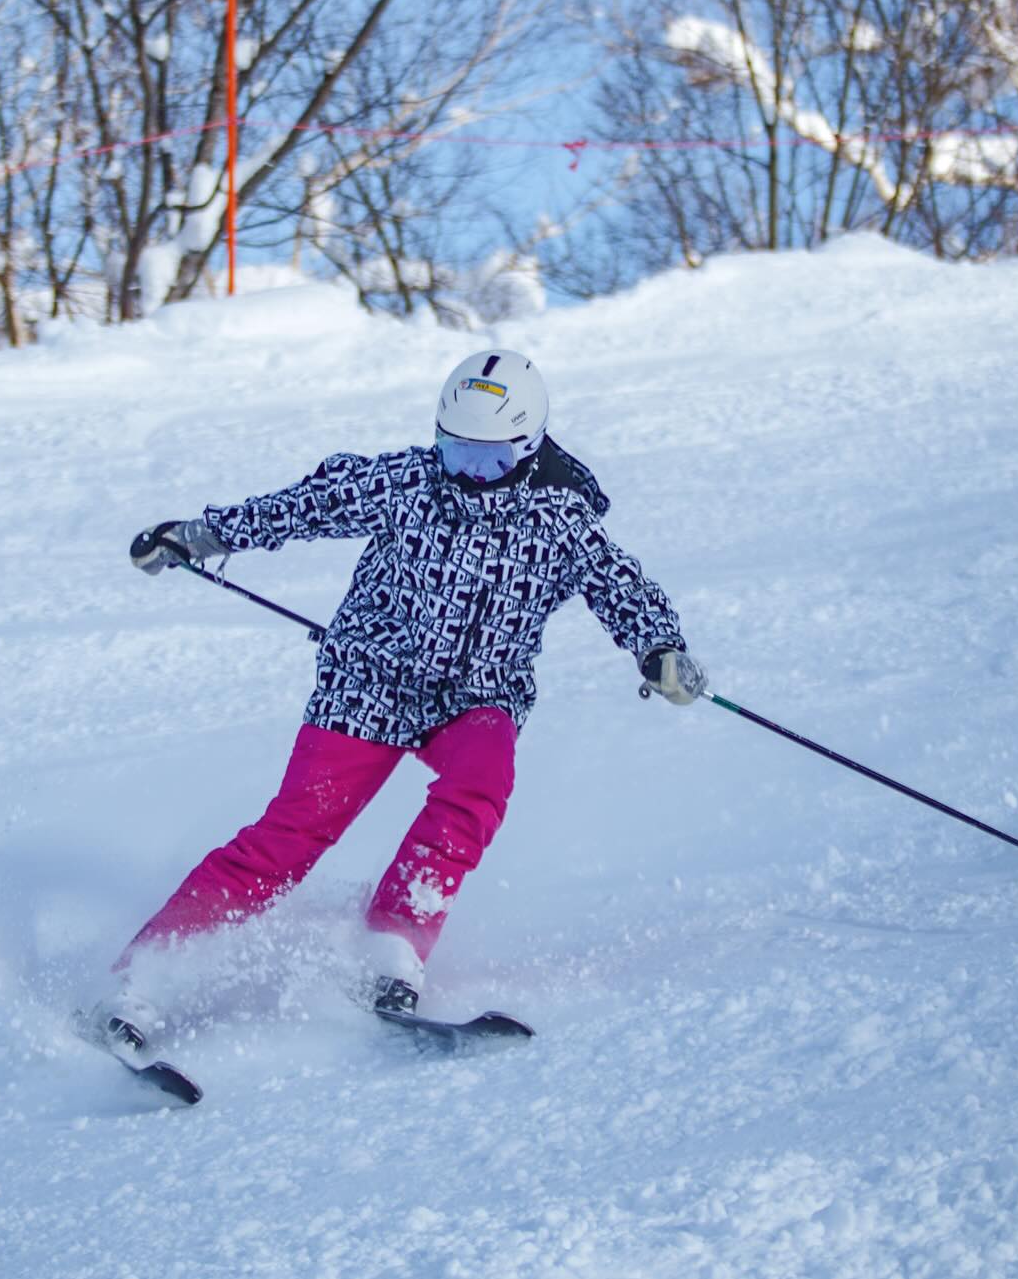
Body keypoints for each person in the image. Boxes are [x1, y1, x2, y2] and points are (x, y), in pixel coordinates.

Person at [95, 349, 706, 1048]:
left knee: (480, 785)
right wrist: (201, 536)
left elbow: (621, 586)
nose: (467, 476)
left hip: (478, 696)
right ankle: (141, 980)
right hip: (370, 683)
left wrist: (661, 650)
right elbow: (305, 505)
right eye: (454, 451)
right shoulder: (407, 483)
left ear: (530, 448)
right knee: (288, 836)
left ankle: (392, 945)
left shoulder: (559, 521)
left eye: (487, 460)